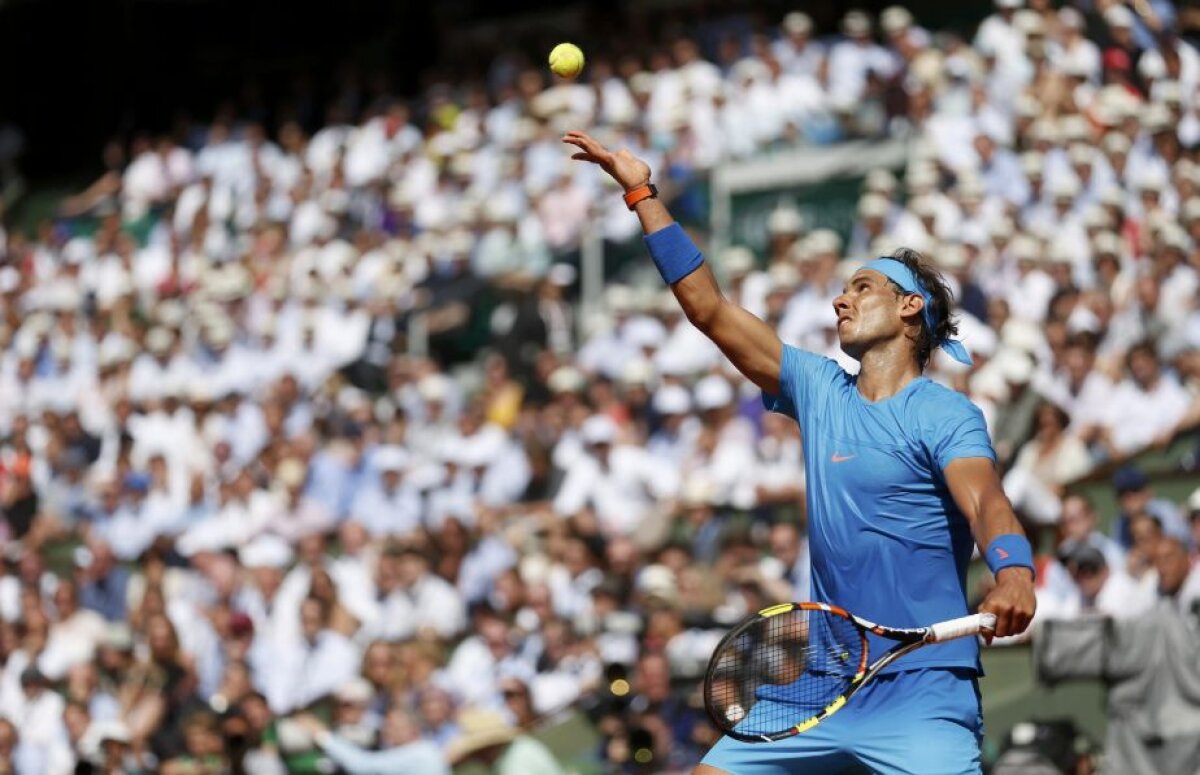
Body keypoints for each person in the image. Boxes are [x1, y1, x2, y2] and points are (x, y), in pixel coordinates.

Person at [562, 129, 1036, 774]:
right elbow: (708, 308)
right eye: (843, 288)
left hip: (924, 691)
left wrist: (1012, 571)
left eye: (863, 287)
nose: (842, 298)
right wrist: (642, 192)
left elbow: (985, 503)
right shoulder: (816, 387)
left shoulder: (945, 412)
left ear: (909, 307)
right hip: (823, 684)